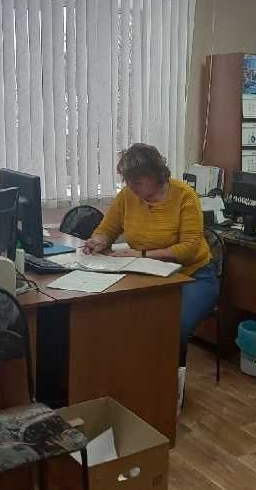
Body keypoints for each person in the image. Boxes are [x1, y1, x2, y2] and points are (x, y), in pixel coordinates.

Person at [83, 144, 218, 365]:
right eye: (127, 180)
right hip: (145, 275)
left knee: (174, 326)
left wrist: (143, 254)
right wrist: (98, 241)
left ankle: (170, 380)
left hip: (192, 276)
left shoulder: (184, 196)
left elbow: (190, 248)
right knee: (115, 316)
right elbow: (107, 229)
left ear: (156, 176)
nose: (130, 186)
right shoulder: (127, 196)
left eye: (137, 181)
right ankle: (135, 374)